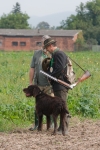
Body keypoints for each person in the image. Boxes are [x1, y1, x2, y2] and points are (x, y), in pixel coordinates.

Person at [43, 37, 70, 132]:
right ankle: (61, 127)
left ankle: (64, 128)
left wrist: (49, 76)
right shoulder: (55, 55)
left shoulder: (59, 54)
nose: (46, 50)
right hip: (57, 83)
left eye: (46, 48)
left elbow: (59, 69)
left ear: (50, 46)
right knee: (60, 106)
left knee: (63, 106)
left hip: (61, 84)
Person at [29, 35, 53, 131]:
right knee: (38, 106)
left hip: (49, 85)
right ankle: (37, 125)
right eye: (43, 42)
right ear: (42, 43)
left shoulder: (52, 54)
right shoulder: (36, 54)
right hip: (38, 85)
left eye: (46, 42)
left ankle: (50, 125)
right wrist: (30, 83)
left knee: (50, 105)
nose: (44, 44)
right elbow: (32, 69)